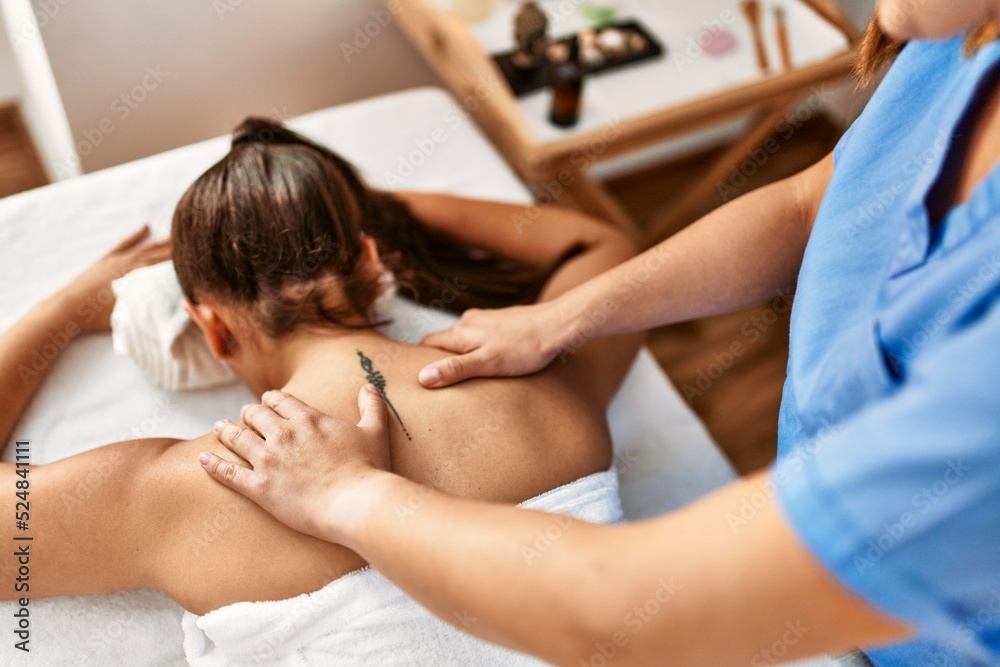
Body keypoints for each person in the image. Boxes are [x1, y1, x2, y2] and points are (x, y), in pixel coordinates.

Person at [200, 3, 1000, 665]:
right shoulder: (957, 38)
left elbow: (621, 616)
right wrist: (559, 318)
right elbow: (814, 201)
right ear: (372, 261)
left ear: (212, 329)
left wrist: (349, 494)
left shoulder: (201, 478)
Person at [0, 119, 643, 661]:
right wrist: (359, 203)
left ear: (213, 329)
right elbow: (603, 243)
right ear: (370, 263)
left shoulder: (184, 490)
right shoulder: (547, 384)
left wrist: (56, 313)